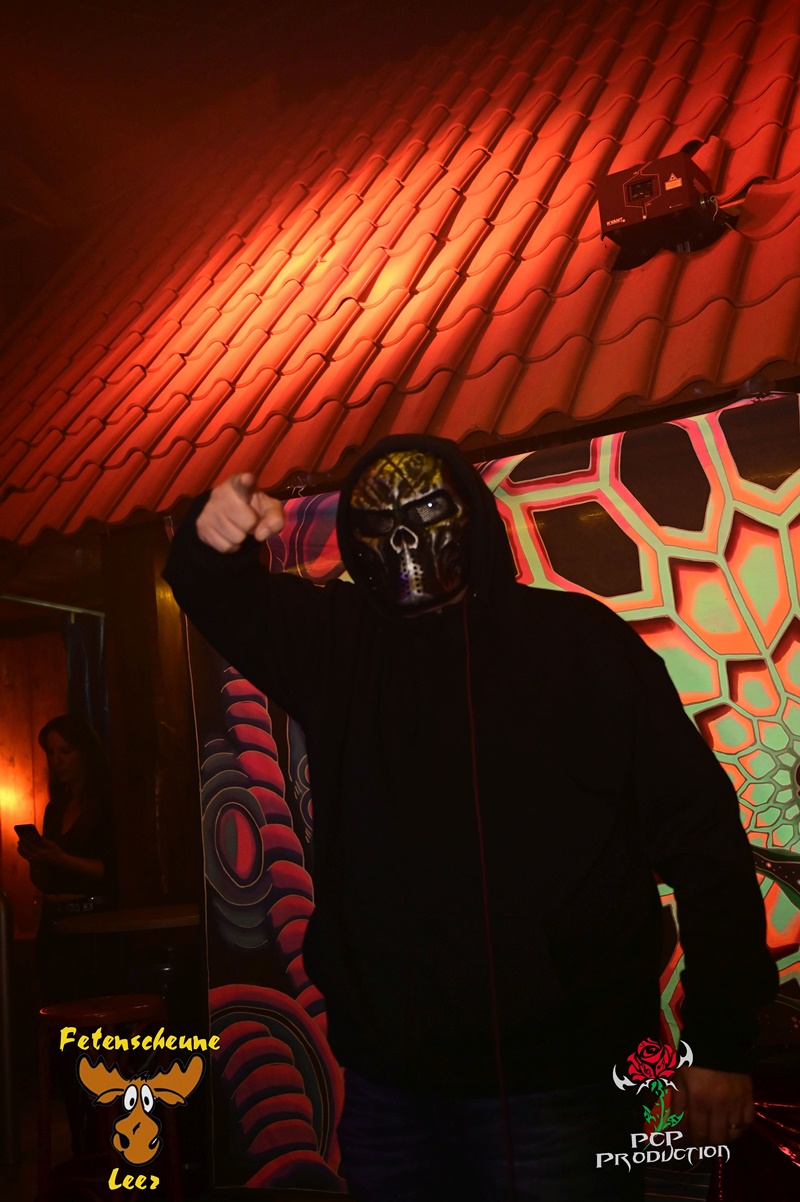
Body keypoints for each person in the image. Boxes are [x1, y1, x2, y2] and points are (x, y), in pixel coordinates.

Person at [163, 434, 778, 1201]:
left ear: (472, 518)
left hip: (564, 1085)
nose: (406, 544)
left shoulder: (579, 646)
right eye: (380, 525)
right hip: (390, 1090)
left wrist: (721, 1040)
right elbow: (212, 589)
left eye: (425, 514)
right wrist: (211, 533)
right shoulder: (338, 643)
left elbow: (703, 841)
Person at [17, 713, 115, 1003]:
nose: (57, 760)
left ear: (84, 753)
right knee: (54, 1005)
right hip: (54, 923)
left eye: (65, 751)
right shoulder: (55, 808)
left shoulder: (106, 804)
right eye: (51, 752)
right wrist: (36, 859)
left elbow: (110, 870)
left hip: (92, 922)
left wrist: (61, 859)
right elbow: (45, 881)